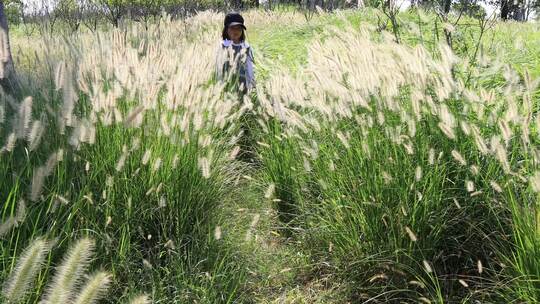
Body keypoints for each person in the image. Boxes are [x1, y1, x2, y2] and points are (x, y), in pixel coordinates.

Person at [215, 12, 255, 95]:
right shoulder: (222, 46)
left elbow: (249, 68)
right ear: (226, 29)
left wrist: (252, 85)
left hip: (243, 87)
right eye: (232, 28)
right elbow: (218, 68)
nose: (236, 31)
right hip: (226, 87)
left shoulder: (246, 47)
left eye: (239, 28)